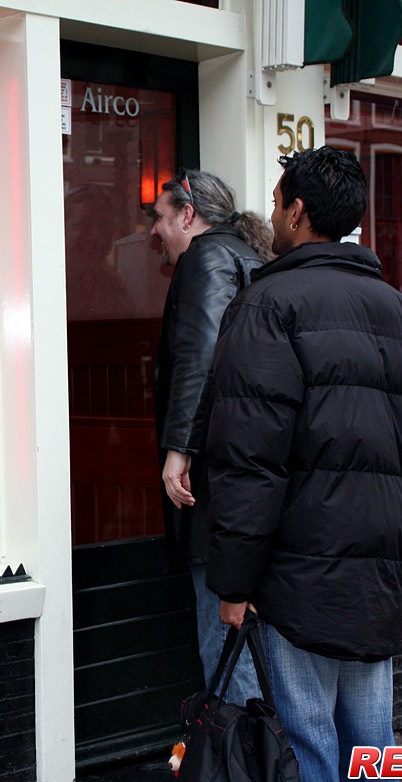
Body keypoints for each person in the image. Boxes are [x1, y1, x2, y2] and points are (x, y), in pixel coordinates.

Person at [206, 146, 402, 782]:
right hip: (378, 573)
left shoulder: (268, 304)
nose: (272, 215)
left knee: (308, 743)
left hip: (298, 576)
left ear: (298, 212)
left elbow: (249, 460)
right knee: (372, 746)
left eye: (277, 202)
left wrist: (234, 582)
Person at [149, 169, 273, 703]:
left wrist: (178, 451)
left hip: (216, 483)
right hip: (252, 475)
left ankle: (241, 750)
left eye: (159, 216)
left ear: (187, 214)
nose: (154, 230)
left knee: (224, 639)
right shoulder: (247, 256)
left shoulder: (207, 257)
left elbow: (202, 357)